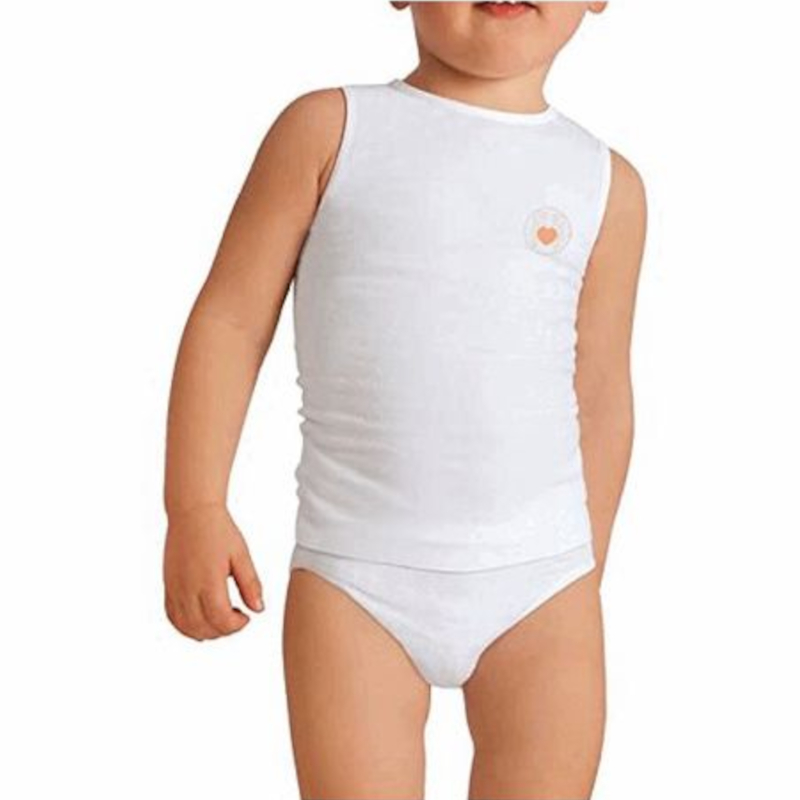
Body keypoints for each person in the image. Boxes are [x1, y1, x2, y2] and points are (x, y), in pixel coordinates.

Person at [162, 2, 647, 797]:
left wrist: (580, 566)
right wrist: (195, 506)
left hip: (545, 588)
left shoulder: (606, 184)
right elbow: (230, 320)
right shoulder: (328, 130)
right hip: (356, 582)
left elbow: (600, 390)